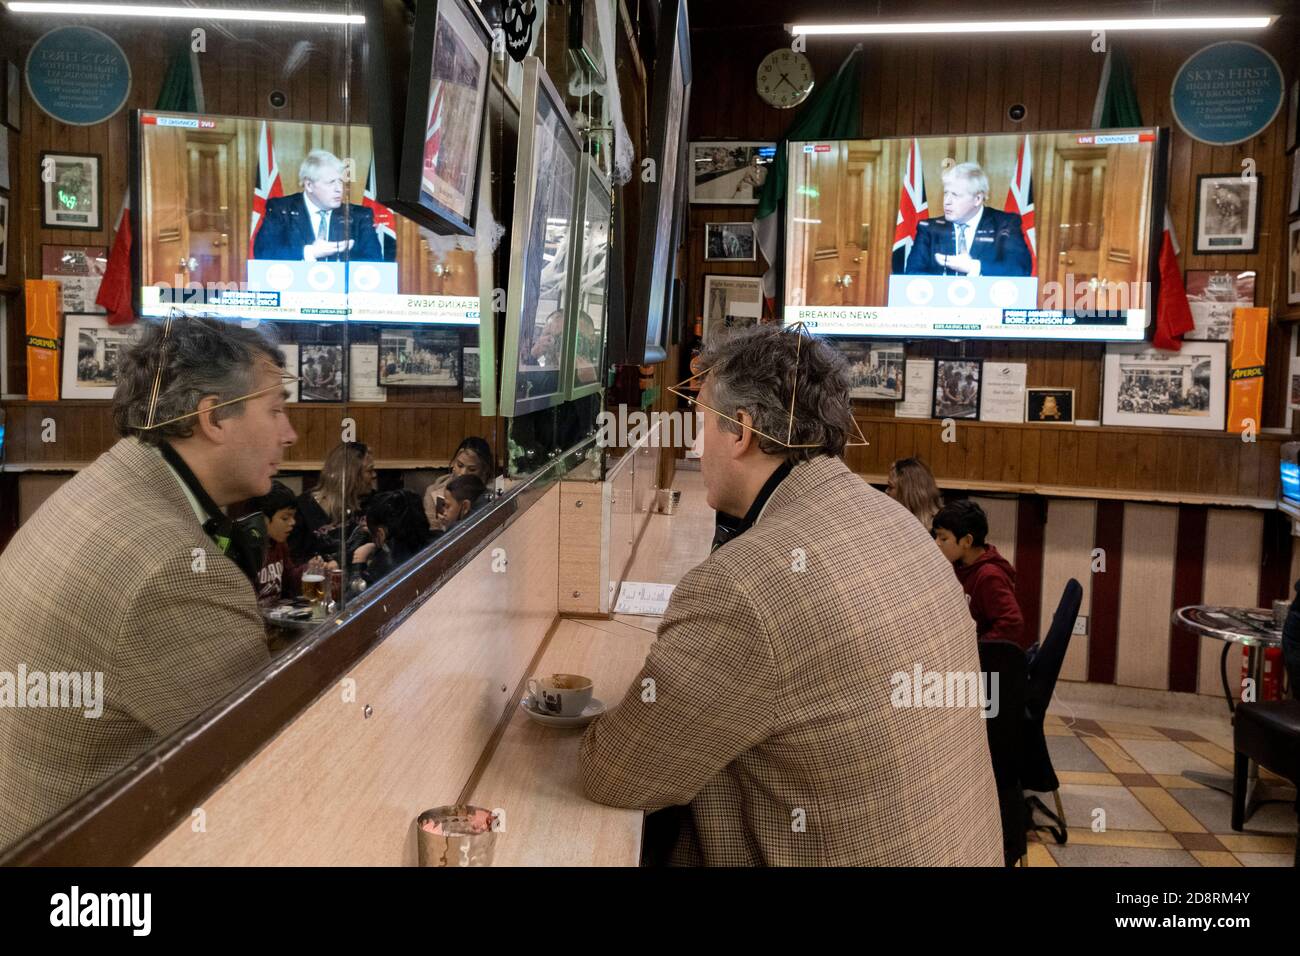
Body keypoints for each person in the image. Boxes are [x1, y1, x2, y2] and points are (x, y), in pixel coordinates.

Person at [578, 324, 1001, 866]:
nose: (695, 442)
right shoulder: (896, 522)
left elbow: (617, 774)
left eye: (703, 421)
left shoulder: (745, 587)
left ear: (740, 432)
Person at [0, 317, 296, 846]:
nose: (288, 433)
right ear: (213, 418)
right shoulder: (173, 570)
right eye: (275, 411)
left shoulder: (107, 482)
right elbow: (269, 766)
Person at [932, 499, 1031, 651]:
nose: (936, 542)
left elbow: (1012, 623)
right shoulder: (958, 565)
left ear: (967, 541)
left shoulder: (989, 576)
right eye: (936, 536)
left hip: (983, 664)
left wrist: (977, 649)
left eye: (943, 538)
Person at [252, 149, 384, 263]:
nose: (339, 189)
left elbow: (374, 262)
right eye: (331, 182)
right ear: (309, 185)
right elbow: (263, 253)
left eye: (341, 182)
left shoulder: (359, 216)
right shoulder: (281, 209)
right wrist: (310, 252)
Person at [903, 162, 1032, 277]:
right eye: (946, 193)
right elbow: (912, 274)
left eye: (955, 195)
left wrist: (973, 267)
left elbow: (1020, 269)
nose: (947, 202)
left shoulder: (1005, 224)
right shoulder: (929, 228)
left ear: (977, 199)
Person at [288, 441, 376, 565]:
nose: (374, 475)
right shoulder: (303, 507)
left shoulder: (372, 501)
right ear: (350, 476)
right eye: (369, 470)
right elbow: (292, 561)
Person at [248, 481, 323, 607]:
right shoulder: (246, 550)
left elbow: (289, 581)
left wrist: (308, 570)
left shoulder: (280, 545)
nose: (293, 522)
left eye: (293, 517)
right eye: (285, 518)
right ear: (262, 519)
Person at [352, 489, 433, 586]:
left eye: (372, 535)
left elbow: (355, 597)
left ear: (381, 534)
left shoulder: (381, 568)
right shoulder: (438, 543)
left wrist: (358, 564)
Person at [423, 437, 495, 529]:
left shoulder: (491, 495)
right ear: (453, 463)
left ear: (483, 471)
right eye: (460, 465)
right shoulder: (433, 492)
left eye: (472, 469)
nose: (463, 473)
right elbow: (431, 533)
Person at [886, 456, 943, 529]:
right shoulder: (891, 519)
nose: (886, 491)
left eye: (890, 487)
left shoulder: (940, 528)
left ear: (908, 494)